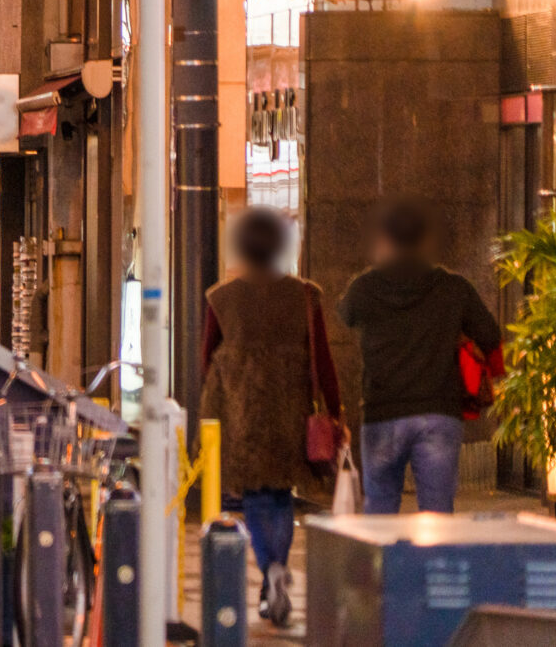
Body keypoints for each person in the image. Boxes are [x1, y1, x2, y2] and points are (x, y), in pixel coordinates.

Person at [202, 206, 340, 625]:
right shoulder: (305, 294)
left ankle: (270, 570)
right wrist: (336, 413)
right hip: (291, 412)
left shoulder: (221, 298)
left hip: (243, 413)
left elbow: (206, 361)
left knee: (257, 498)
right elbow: (324, 361)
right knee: (282, 496)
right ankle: (277, 567)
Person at [337, 199, 501, 515]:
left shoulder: (365, 287)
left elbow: (345, 316)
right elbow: (490, 336)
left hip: (382, 412)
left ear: (384, 239)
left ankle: (382, 565)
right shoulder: (454, 288)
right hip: (438, 413)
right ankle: (433, 565)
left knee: (381, 509)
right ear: (425, 240)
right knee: (437, 511)